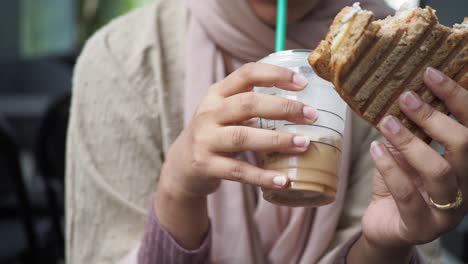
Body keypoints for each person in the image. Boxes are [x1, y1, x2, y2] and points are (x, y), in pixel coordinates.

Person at [66, 0, 468, 263]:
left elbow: (395, 232)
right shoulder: (122, 59)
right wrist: (178, 192)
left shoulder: (399, 63)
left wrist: (383, 247)